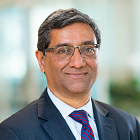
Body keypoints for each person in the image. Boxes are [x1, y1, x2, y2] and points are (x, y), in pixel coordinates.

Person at [0, 8, 139, 140]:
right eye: (63, 50)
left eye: (88, 49)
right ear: (42, 61)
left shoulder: (128, 125)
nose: (78, 63)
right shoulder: (14, 132)